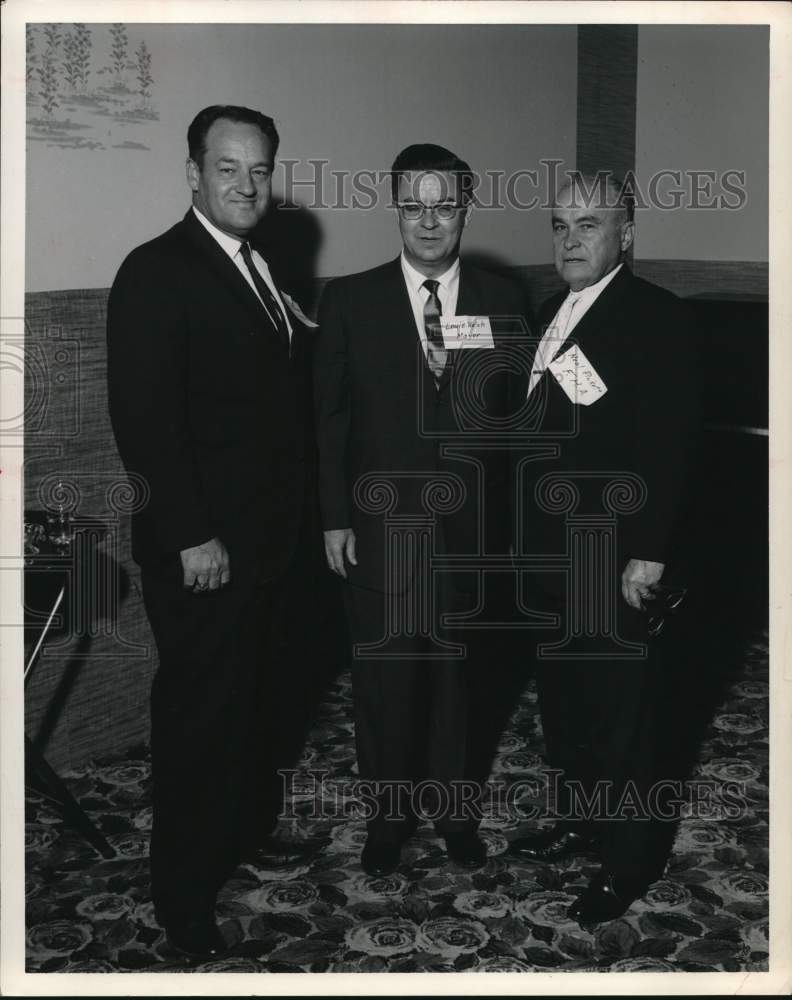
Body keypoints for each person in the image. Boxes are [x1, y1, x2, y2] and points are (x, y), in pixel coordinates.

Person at [107, 105, 320, 958]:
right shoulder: (156, 270)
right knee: (199, 723)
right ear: (192, 171)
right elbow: (145, 420)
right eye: (228, 167)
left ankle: (246, 830)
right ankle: (184, 897)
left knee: (258, 706)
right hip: (203, 552)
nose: (246, 184)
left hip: (268, 547)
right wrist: (192, 533)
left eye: (260, 170)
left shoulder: (258, 265)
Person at [314, 144, 527, 877]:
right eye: (414, 205)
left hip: (471, 539)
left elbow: (525, 422)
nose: (430, 221)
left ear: (465, 208)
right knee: (385, 685)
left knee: (459, 685)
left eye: (444, 205)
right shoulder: (349, 299)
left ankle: (456, 814)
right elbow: (329, 420)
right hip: (377, 534)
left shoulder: (504, 298)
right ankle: (388, 818)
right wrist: (333, 518)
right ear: (396, 210)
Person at [508, 172, 698, 924]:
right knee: (569, 705)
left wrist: (648, 553)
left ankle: (630, 862)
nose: (570, 239)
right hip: (550, 554)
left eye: (590, 224)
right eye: (560, 224)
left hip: (617, 554)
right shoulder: (553, 309)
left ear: (628, 232)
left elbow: (671, 444)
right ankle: (584, 819)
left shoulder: (659, 317)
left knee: (625, 716)